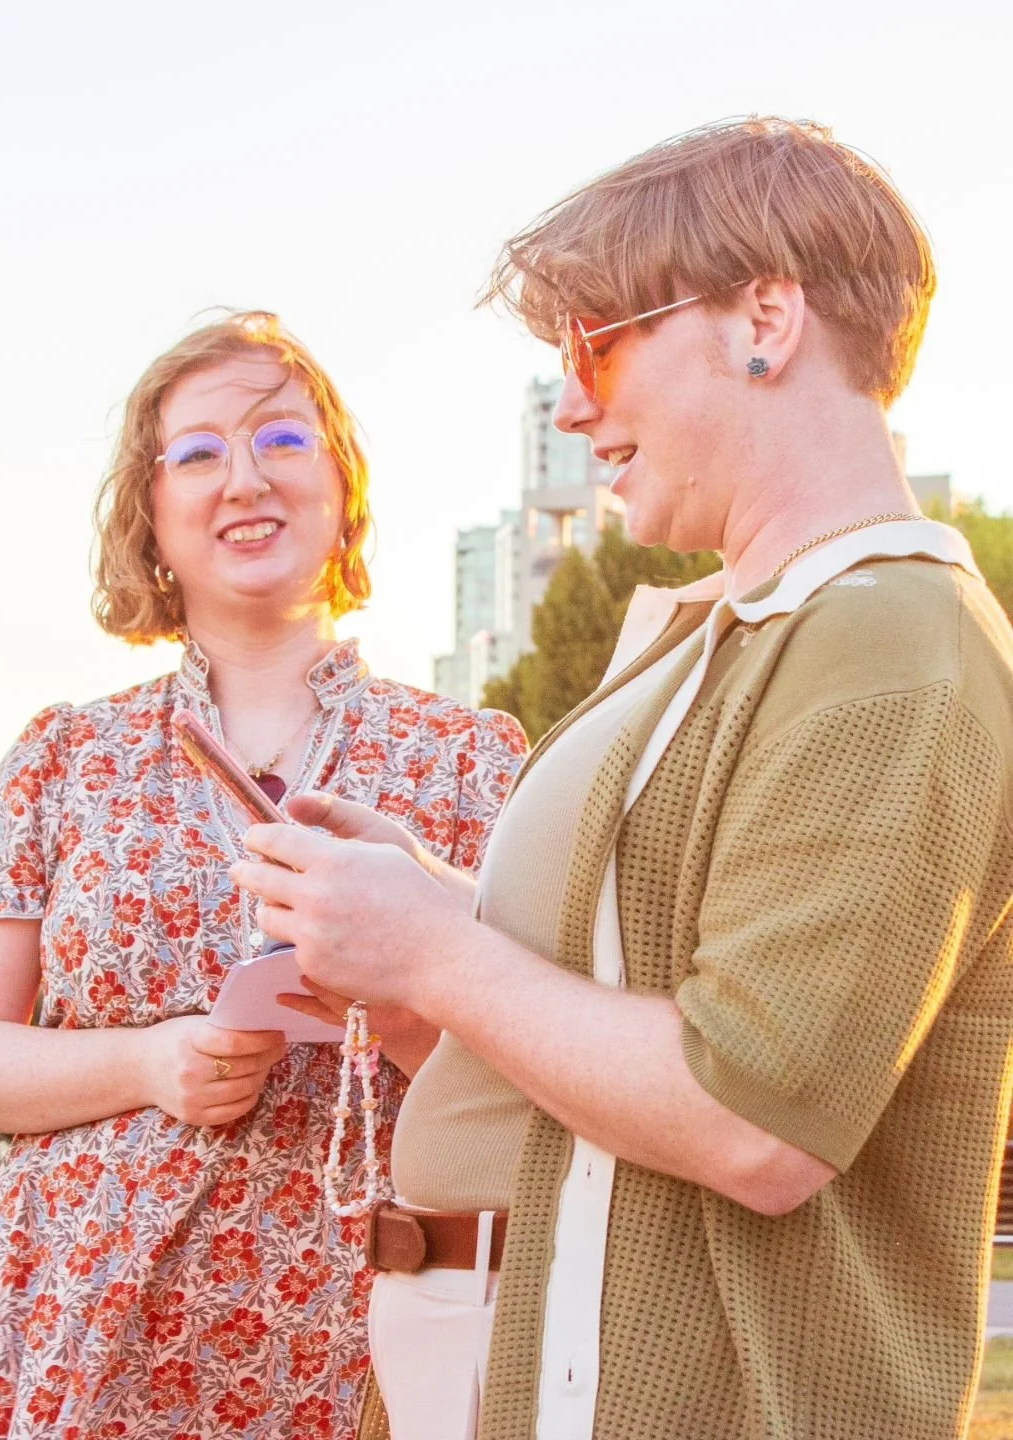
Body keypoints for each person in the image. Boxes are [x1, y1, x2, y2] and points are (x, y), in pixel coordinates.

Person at [232, 119, 1013, 1440]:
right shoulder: (736, 635)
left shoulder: (892, 644)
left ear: (765, 320)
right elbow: (626, 997)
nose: (574, 406)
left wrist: (436, 952)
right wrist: (429, 916)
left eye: (597, 345)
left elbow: (756, 1117)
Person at [0, 311, 528, 1439]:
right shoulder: (66, 756)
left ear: (343, 486)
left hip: (371, 1343)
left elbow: (536, 1076)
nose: (244, 478)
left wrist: (398, 1008)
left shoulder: (472, 762)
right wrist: (149, 1060)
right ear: (150, 515)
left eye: (282, 440)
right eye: (197, 453)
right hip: (90, 1337)